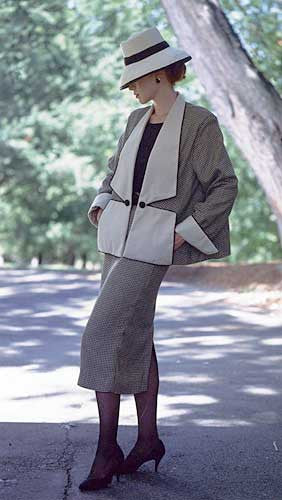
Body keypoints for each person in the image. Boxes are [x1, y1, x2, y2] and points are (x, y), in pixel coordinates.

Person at [77, 26, 238, 491]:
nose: (130, 86)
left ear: (158, 76)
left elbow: (224, 185)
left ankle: (106, 448)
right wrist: (101, 204)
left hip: (153, 244)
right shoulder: (134, 121)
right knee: (135, 334)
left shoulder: (199, 123)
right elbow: (113, 172)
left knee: (101, 333)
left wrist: (181, 234)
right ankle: (147, 439)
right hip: (116, 240)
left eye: (135, 78)